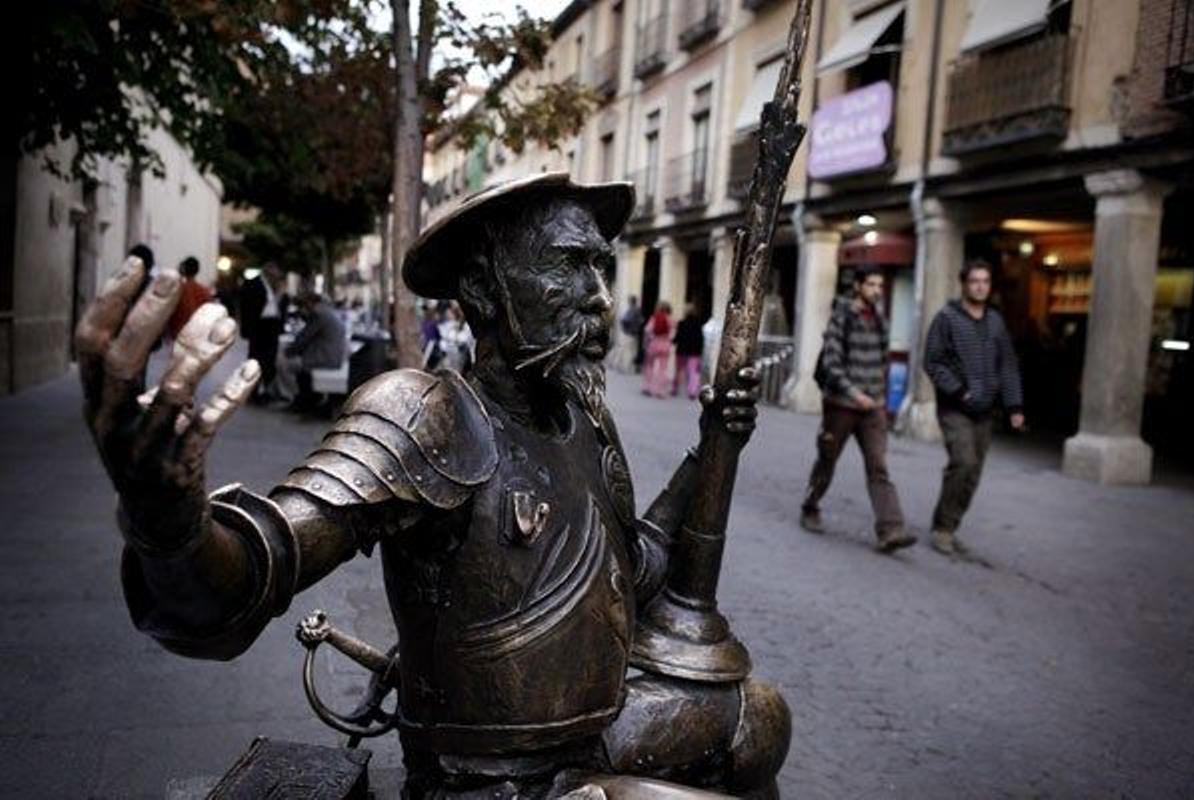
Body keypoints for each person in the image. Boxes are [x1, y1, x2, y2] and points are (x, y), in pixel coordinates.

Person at [72, 173, 785, 797]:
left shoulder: (583, 418)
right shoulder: (428, 416)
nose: (600, 301)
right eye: (569, 267)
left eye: (603, 268)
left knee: (760, 719)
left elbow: (640, 574)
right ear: (482, 286)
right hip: (493, 784)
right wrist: (169, 524)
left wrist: (712, 448)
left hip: (592, 739)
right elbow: (257, 567)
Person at [800, 265, 914, 553]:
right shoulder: (842, 317)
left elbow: (884, 361)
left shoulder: (880, 320)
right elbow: (832, 363)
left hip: (872, 407)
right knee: (827, 460)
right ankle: (810, 506)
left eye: (880, 285)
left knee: (879, 466)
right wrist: (854, 393)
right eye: (872, 285)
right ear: (858, 286)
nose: (877, 290)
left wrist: (878, 396)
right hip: (841, 405)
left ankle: (891, 529)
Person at [923, 259, 1024, 556]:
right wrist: (959, 391)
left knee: (974, 473)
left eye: (985, 281)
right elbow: (933, 361)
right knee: (963, 461)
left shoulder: (995, 322)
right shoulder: (947, 318)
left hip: (986, 410)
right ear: (964, 284)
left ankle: (951, 527)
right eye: (974, 281)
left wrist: (1014, 405)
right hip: (955, 408)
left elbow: (1007, 365)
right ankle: (941, 528)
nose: (980, 286)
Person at [271, 291, 346, 407]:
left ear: (310, 303)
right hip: (332, 356)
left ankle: (292, 396)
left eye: (303, 305)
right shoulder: (327, 311)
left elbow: (304, 337)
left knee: (283, 364)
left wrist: (289, 351)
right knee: (292, 361)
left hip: (324, 358)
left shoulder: (318, 314)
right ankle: (303, 395)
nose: (302, 308)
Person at [239, 263, 287, 403]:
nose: (276, 276)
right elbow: (246, 307)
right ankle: (253, 391)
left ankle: (267, 390)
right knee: (256, 360)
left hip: (272, 326)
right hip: (259, 327)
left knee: (270, 360)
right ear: (268, 272)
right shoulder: (253, 284)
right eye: (274, 273)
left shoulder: (276, 286)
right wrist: (246, 329)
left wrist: (280, 294)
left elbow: (280, 304)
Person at [166, 257, 213, 340]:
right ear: (197, 271)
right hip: (197, 334)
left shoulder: (177, 290)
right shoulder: (204, 291)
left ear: (183, 269)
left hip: (178, 333)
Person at [672, 303, 704, 400]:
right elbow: (700, 339)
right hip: (694, 352)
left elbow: (678, 337)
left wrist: (673, 341)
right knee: (693, 372)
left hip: (681, 351)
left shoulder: (681, 323)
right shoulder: (698, 324)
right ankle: (692, 391)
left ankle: (675, 388)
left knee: (678, 371)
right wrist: (700, 350)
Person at [641, 300, 673, 398]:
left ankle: (647, 387)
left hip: (654, 344)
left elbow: (647, 330)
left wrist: (648, 340)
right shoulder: (670, 319)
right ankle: (660, 391)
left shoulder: (654, 318)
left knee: (649, 366)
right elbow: (672, 334)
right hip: (665, 345)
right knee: (662, 369)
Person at [435, 301, 474, 373]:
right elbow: (445, 341)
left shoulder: (468, 327)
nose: (460, 314)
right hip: (451, 358)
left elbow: (465, 341)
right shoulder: (451, 326)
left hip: (465, 359)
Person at [617, 295, 644, 374]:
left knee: (628, 351)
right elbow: (642, 321)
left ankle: (627, 368)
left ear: (630, 302)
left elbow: (625, 320)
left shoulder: (631, 310)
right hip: (634, 333)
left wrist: (623, 324)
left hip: (629, 333)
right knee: (633, 351)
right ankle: (631, 368)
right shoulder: (638, 310)